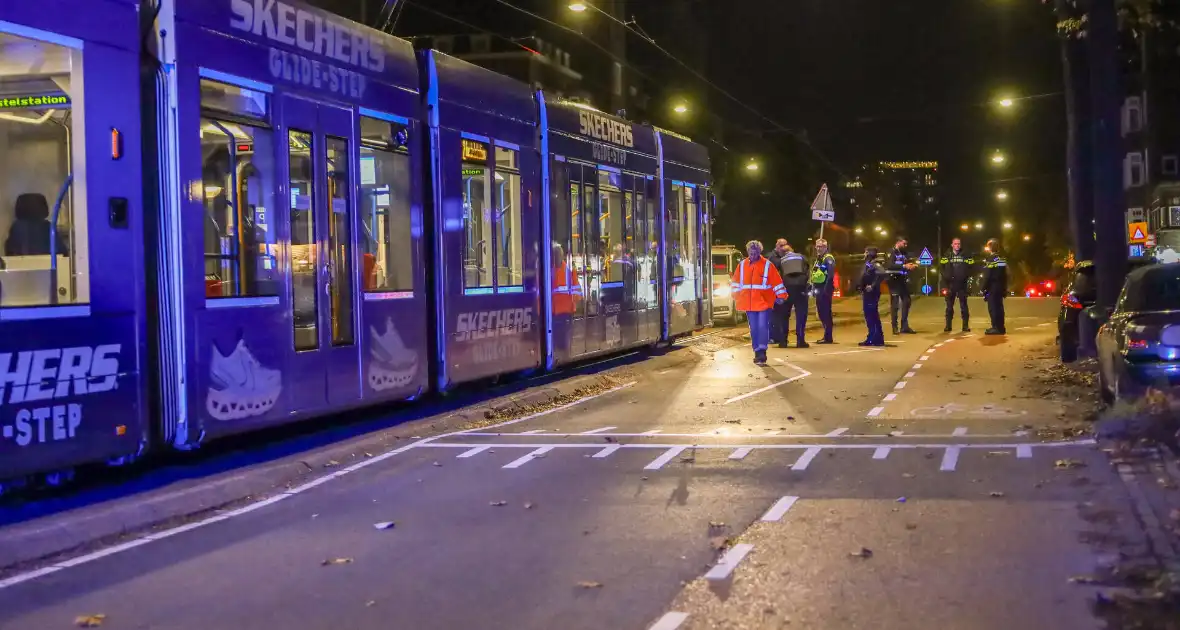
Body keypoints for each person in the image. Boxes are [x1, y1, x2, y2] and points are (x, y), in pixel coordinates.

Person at [731, 239, 788, 365]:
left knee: (762, 327)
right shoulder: (742, 265)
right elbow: (735, 282)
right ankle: (757, 351)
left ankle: (762, 352)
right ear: (747, 252)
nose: (752, 255)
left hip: (763, 302)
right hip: (749, 303)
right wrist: (735, 295)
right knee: (754, 329)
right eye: (751, 253)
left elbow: (776, 282)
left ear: (759, 252)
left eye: (755, 253)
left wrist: (781, 296)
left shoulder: (767, 265)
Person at [778, 245, 811, 348]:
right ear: (792, 250)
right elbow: (808, 270)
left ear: (783, 253)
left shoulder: (781, 260)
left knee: (784, 315)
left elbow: (778, 275)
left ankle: (783, 341)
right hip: (801, 289)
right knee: (801, 315)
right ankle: (800, 340)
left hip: (787, 289)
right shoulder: (801, 257)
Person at [940, 237, 974, 332]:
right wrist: (946, 277)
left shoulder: (966, 255)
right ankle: (948, 326)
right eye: (955, 244)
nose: (957, 245)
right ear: (952, 245)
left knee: (964, 306)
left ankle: (965, 326)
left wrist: (967, 276)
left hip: (962, 284)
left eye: (959, 244)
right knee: (949, 307)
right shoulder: (947, 255)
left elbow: (971, 266)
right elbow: (941, 268)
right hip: (950, 284)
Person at [885, 237, 918, 335]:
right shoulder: (891, 252)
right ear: (898, 242)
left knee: (907, 301)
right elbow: (889, 265)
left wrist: (911, 266)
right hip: (893, 280)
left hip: (903, 280)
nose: (906, 246)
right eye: (904, 243)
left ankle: (904, 326)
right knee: (895, 304)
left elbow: (905, 264)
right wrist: (904, 266)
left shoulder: (903, 253)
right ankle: (894, 327)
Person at [810, 238, 837, 344]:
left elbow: (830, 275)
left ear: (826, 247)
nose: (818, 248)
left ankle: (828, 336)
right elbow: (815, 274)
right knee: (821, 312)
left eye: (821, 246)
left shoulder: (828, 258)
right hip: (819, 288)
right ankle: (827, 335)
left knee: (825, 312)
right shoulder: (819, 258)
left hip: (825, 288)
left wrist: (826, 289)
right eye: (817, 246)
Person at [859, 247, 886, 347]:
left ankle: (873, 338)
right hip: (867, 293)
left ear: (870, 253)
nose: (864, 254)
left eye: (866, 252)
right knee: (871, 315)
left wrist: (873, 285)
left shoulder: (875, 263)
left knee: (871, 316)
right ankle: (876, 338)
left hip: (872, 293)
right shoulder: (869, 263)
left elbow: (882, 273)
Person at [766, 238, 791, 345]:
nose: (783, 248)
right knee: (774, 315)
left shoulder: (781, 257)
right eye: (781, 246)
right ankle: (773, 337)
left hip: (781, 290)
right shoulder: (773, 257)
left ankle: (779, 337)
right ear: (777, 246)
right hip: (774, 290)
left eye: (785, 245)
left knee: (781, 314)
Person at [981, 238, 1008, 335]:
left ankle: (995, 327)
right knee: (999, 307)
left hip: (993, 286)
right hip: (1000, 286)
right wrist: (1005, 288)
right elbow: (1005, 275)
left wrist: (983, 287)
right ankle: (1001, 327)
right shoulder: (1001, 259)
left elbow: (988, 275)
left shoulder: (991, 259)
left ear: (990, 247)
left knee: (993, 307)